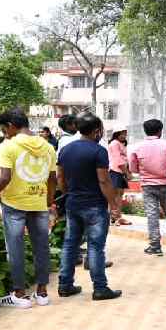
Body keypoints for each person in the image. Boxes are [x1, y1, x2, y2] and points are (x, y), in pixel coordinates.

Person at [0, 108, 58, 309]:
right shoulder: (47, 147)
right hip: (38, 202)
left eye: (5, 130)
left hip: (14, 203)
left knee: (16, 248)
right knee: (42, 247)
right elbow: (52, 178)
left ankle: (20, 294)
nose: (6, 134)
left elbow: (4, 177)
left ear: (11, 126)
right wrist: (48, 200)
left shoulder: (9, 146)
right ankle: (42, 292)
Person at [57, 112, 123, 301]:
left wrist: (69, 193)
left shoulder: (66, 149)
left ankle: (65, 285)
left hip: (73, 203)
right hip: (94, 205)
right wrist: (114, 204)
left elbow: (60, 178)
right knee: (95, 247)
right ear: (96, 131)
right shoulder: (98, 150)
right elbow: (104, 181)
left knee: (70, 245)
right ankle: (100, 288)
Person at [129, 118, 166, 255]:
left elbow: (133, 168)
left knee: (152, 215)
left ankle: (155, 246)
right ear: (160, 130)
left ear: (145, 131)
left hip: (148, 185)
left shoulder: (137, 147)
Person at [107, 128, 132, 225]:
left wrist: (127, 171)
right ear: (116, 134)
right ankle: (113, 217)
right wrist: (127, 173)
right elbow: (118, 160)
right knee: (115, 195)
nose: (124, 135)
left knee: (119, 195)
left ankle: (117, 217)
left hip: (120, 172)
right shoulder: (114, 144)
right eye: (122, 133)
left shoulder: (121, 144)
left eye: (125, 133)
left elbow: (124, 159)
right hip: (115, 171)